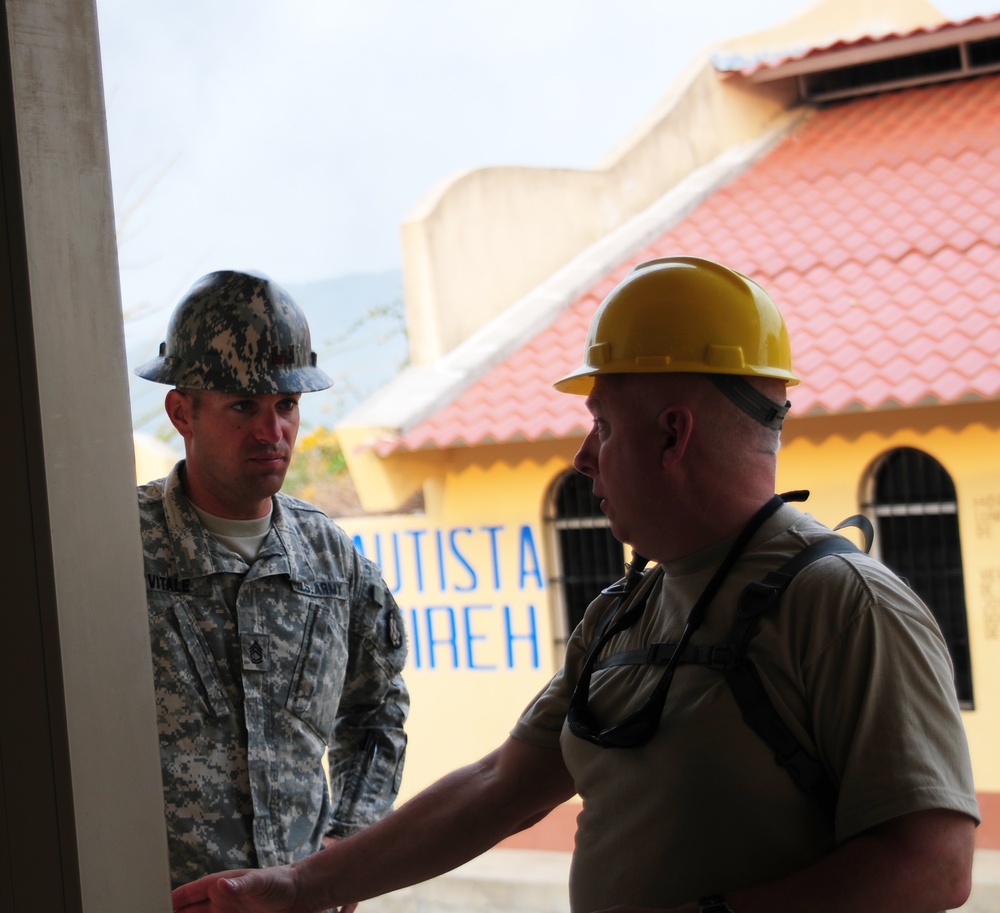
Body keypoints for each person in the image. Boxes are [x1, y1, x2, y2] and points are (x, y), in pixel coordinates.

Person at [172, 257, 978, 913]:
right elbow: (501, 784)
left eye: (601, 425)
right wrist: (302, 885)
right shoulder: (624, 612)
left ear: (673, 432)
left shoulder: (843, 604)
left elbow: (932, 864)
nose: (583, 459)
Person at [135, 270, 409, 898]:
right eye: (242, 407)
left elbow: (376, 710)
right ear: (182, 411)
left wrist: (348, 847)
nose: (272, 432)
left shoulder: (329, 559)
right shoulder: (119, 551)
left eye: (285, 406)